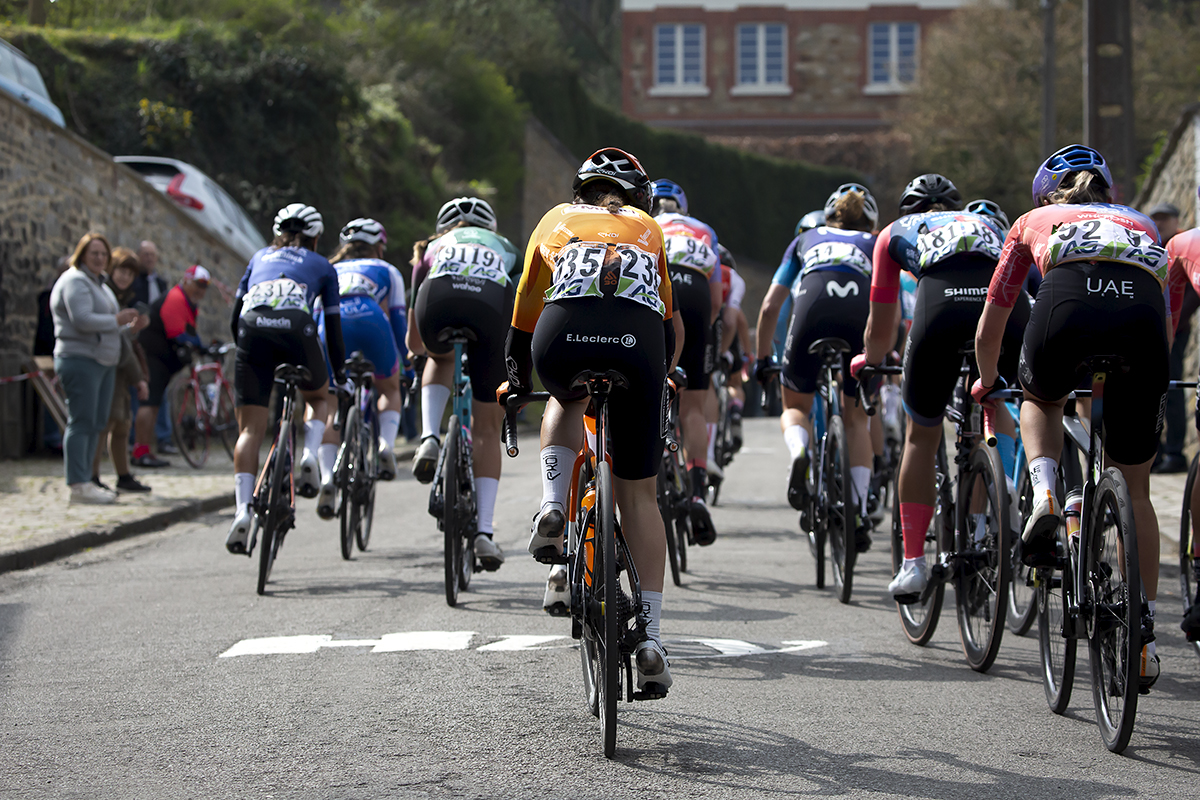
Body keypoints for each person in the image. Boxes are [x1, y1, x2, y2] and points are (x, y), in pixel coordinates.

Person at [974, 144, 1173, 690]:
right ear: (1111, 195)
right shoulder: (1143, 224)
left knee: (1042, 399)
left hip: (1065, 306)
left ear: (1045, 195)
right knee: (1137, 491)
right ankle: (1144, 636)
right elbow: (1168, 318)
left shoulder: (1032, 221)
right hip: (1142, 320)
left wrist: (988, 380)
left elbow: (994, 320)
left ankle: (1044, 497)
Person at [499, 146, 677, 696]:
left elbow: (527, 303)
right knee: (640, 497)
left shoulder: (555, 219)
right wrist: (658, 379)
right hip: (636, 348)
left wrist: (515, 375)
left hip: (562, 341)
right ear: (637, 199)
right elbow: (665, 320)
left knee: (567, 398)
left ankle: (553, 504)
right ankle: (648, 634)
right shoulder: (649, 228)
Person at [850, 173, 1030, 598]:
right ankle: (996, 501)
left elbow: (882, 323)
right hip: (1005, 311)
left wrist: (871, 361)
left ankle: (913, 564)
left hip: (940, 313)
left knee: (921, 436)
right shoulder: (990, 225)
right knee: (995, 393)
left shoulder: (893, 234)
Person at [755, 184, 880, 550]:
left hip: (812, 309)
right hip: (859, 315)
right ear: (869, 220)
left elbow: (768, 307)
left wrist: (764, 360)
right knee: (857, 418)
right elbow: (894, 307)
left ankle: (800, 452)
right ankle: (857, 508)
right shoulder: (875, 242)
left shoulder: (805, 238)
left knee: (795, 407)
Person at [225, 204, 346, 553]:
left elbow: (236, 318)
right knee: (319, 397)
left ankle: (242, 511)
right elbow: (333, 331)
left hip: (252, 331)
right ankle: (309, 453)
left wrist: (251, 353)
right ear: (316, 237)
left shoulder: (259, 257)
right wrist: (339, 375)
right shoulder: (323, 265)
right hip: (298, 329)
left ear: (276, 232)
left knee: (250, 430)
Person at [407, 197, 519, 571]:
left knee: (438, 356)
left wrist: (424, 349)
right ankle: (484, 532)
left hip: (438, 302)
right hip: (490, 309)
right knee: (487, 426)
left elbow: (413, 343)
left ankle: (429, 438)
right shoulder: (505, 248)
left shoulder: (430, 247)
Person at [314, 218, 413, 519]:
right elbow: (397, 319)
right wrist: (405, 362)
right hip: (371, 320)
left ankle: (328, 476)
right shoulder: (387, 270)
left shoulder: (328, 270)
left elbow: (315, 313)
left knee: (329, 402)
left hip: (332, 326)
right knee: (389, 388)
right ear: (379, 246)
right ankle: (385, 446)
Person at [650, 178, 722, 546]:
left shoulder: (644, 224)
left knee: (650, 389)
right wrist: (701, 337)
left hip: (661, 293)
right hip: (696, 293)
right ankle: (696, 492)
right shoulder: (703, 230)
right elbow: (717, 297)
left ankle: (652, 461)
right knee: (693, 406)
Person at [50, 232, 141, 504]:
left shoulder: (100, 285)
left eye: (103, 254)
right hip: (81, 359)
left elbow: (111, 325)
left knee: (98, 422)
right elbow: (83, 319)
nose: (100, 258)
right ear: (82, 254)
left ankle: (89, 478)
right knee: (82, 421)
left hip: (103, 362)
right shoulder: (75, 280)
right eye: (94, 253)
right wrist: (116, 319)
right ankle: (78, 484)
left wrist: (129, 327)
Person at [132, 265, 210, 467]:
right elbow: (177, 332)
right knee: (149, 403)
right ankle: (140, 452)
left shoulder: (189, 302)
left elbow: (190, 331)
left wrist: (202, 345)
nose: (201, 291)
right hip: (152, 358)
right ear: (186, 280)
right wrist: (201, 346)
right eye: (198, 285)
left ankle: (145, 450)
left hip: (161, 361)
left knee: (154, 404)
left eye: (204, 287)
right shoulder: (176, 298)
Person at [92, 249, 152, 493]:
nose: (125, 276)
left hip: (120, 367)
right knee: (106, 423)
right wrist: (138, 377)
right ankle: (92, 475)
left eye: (129, 273)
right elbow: (115, 338)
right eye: (121, 270)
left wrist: (135, 328)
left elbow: (124, 338)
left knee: (122, 424)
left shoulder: (122, 297)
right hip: (109, 366)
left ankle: (123, 474)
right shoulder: (106, 295)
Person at [1148, 202, 1192, 474]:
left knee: (1172, 389)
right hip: (1155, 327)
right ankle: (1158, 452)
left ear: (1176, 220)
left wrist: (1176, 321)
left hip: (1175, 328)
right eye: (1157, 219)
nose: (1160, 223)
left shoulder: (1183, 244)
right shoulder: (1153, 247)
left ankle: (1175, 453)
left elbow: (1193, 291)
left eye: (1165, 218)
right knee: (1155, 389)